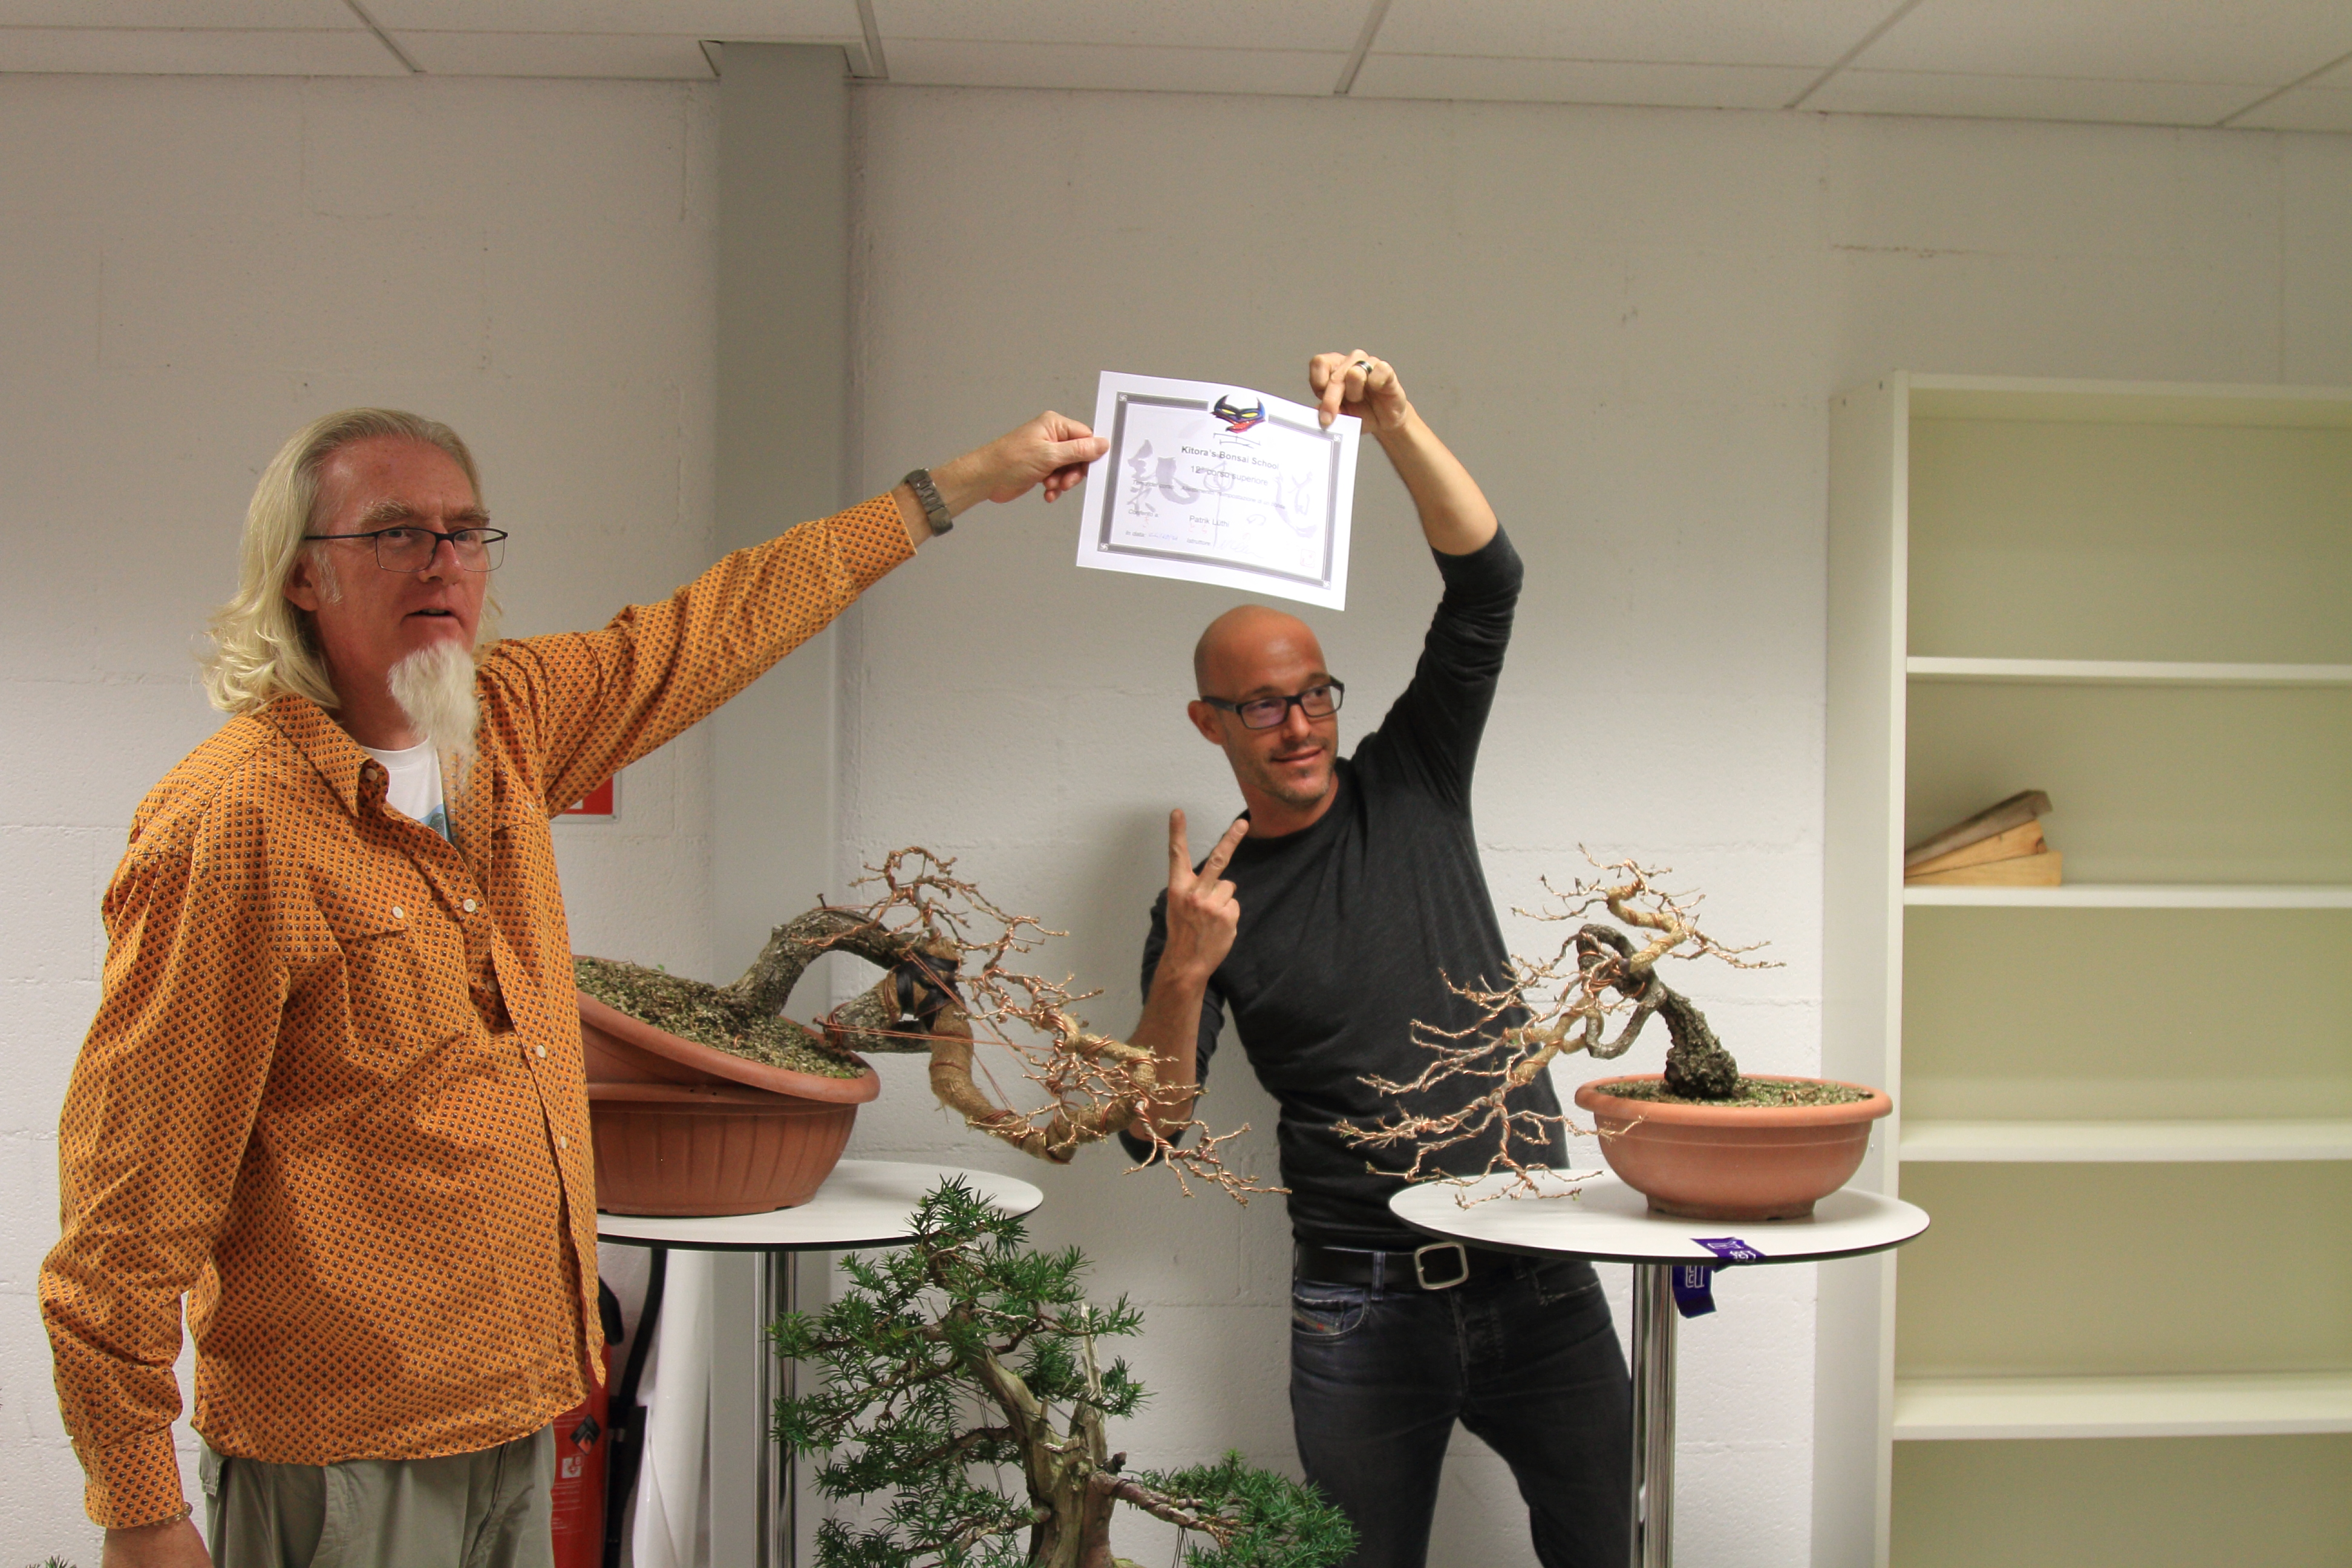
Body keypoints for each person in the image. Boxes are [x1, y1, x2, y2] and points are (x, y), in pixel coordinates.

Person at [42, 405, 1106, 1568]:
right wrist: (140, 1512)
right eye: (395, 533)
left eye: (465, 532)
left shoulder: (505, 723)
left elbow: (723, 621)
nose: (443, 562)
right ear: (303, 576)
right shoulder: (234, 825)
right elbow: (129, 1205)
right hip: (347, 1453)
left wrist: (962, 483)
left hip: (519, 1411)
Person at [1121, 353, 1632, 1568]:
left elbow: (1489, 584)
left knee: (1612, 1546)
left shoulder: (1413, 780)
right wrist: (1184, 973)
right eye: (1262, 705)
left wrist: (1393, 418)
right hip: (1362, 1299)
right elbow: (1148, 1132)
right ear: (1208, 721)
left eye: (1314, 695)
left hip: (1540, 1266)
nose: (1298, 726)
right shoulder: (1201, 908)